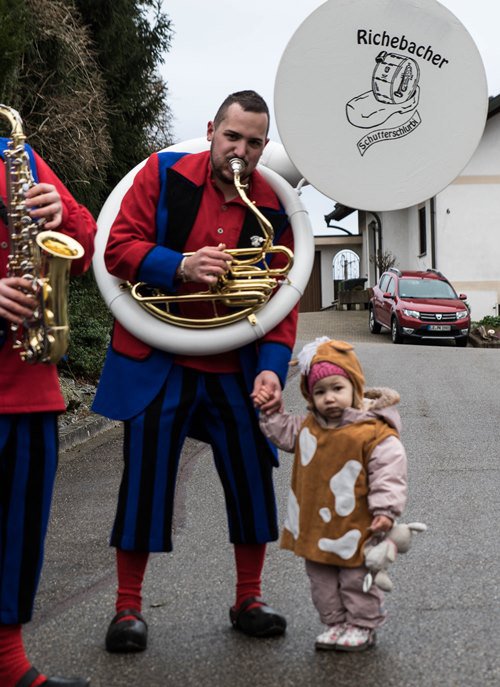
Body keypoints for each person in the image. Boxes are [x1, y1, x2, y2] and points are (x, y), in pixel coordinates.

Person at [92, 90, 298, 651]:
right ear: (211, 130)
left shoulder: (276, 204)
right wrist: (179, 264)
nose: (242, 151)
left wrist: (274, 369)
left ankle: (248, 599)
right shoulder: (161, 174)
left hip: (235, 364)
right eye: (232, 137)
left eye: (254, 142)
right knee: (145, 479)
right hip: (163, 356)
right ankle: (127, 609)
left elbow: (283, 294)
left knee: (255, 474)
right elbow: (116, 247)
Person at [0, 136, 96, 686]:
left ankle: (9, 665)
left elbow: (84, 245)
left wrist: (61, 216)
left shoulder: (18, 156)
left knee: (19, 536)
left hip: (30, 384)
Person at [254, 337, 408, 652]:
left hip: (357, 525)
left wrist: (386, 510)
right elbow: (283, 432)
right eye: (319, 392)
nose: (329, 398)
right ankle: (336, 623)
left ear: (354, 387)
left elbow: (389, 472)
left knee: (355, 578)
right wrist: (272, 412)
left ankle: (362, 626)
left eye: (337, 388)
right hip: (316, 529)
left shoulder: (373, 431)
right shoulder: (309, 426)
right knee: (321, 582)